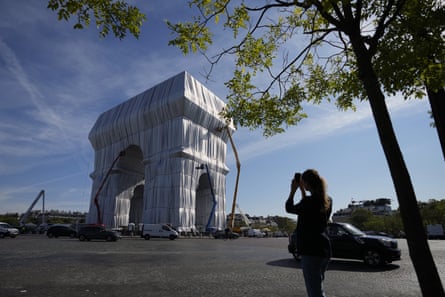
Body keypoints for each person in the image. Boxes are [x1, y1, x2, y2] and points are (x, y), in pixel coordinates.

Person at [285, 169, 332, 297]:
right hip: (324, 249)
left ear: (306, 183)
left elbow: (289, 208)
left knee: (315, 292)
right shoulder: (327, 201)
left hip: (310, 250)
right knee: (318, 287)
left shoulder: (308, 202)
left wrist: (293, 191)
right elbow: (309, 208)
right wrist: (302, 191)